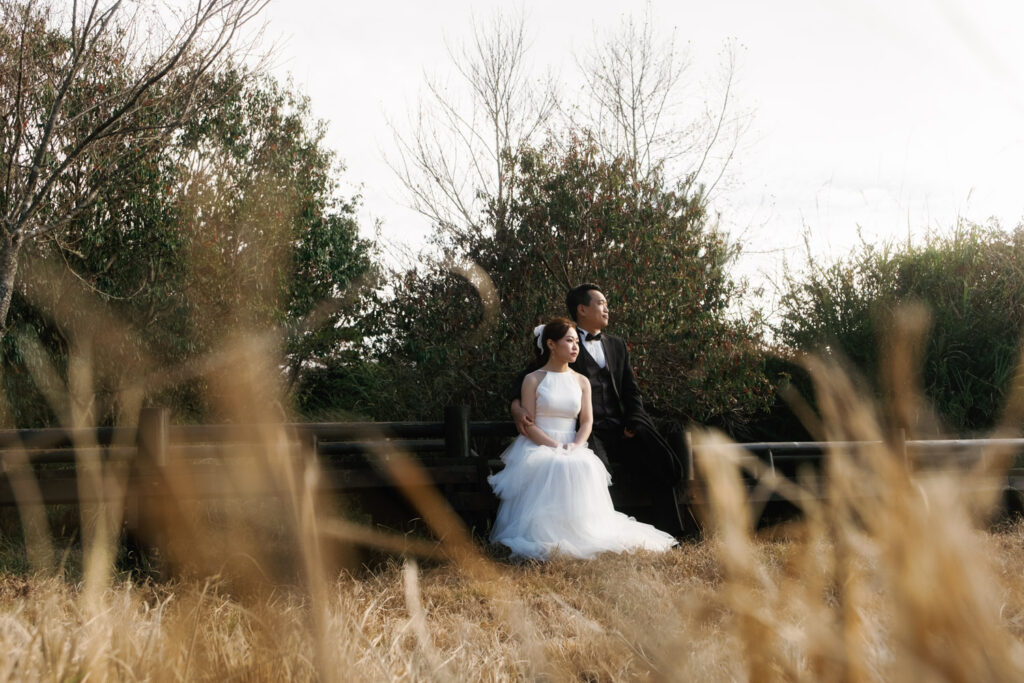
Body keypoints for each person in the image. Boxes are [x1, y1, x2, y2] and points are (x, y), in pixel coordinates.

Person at [488, 318, 677, 560]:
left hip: (573, 441)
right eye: (569, 341)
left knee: (585, 463)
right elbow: (529, 425)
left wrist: (576, 444)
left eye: (577, 341)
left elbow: (586, 421)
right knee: (554, 464)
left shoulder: (581, 381)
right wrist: (555, 446)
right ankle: (549, 534)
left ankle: (583, 531)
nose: (576, 346)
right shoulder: (533, 379)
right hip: (540, 443)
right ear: (551, 344)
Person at [510, 284, 688, 537]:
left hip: (622, 427)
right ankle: (599, 534)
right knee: (597, 471)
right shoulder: (565, 342)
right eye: (601, 303)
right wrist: (516, 407)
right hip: (587, 431)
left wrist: (634, 421)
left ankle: (672, 531)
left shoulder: (617, 345)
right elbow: (530, 378)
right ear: (582, 309)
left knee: (660, 461)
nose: (607, 308)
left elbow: (631, 390)